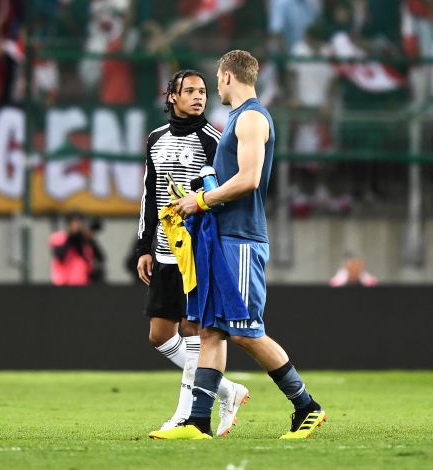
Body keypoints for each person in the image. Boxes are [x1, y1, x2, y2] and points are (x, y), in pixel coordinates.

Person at [151, 50, 326, 440]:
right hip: (223, 237)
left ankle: (307, 406)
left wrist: (199, 200)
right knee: (212, 331)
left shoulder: (249, 117)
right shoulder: (236, 119)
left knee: (246, 331)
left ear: (228, 76)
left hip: (242, 238)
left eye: (216, 78)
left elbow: (248, 178)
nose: (215, 86)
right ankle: (197, 422)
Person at [136, 69, 249, 436]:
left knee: (192, 330)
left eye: (203, 90)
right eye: (190, 91)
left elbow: (223, 192)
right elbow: (149, 196)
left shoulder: (212, 139)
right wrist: (144, 245)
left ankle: (185, 415)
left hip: (197, 248)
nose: (199, 97)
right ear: (172, 97)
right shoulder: (155, 138)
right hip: (166, 249)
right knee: (159, 334)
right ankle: (226, 389)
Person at [49, 211, 94, 286]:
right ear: (68, 223)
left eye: (79, 223)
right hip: (62, 283)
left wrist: (82, 239)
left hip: (81, 282)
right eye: (74, 222)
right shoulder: (58, 237)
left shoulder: (84, 241)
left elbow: (87, 258)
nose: (77, 226)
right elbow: (59, 255)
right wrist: (70, 236)